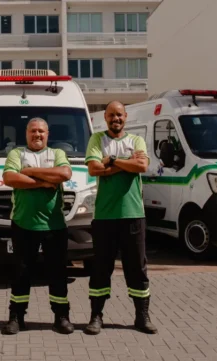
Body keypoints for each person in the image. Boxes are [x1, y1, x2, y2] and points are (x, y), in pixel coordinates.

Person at [83, 100, 158, 335]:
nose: (115, 119)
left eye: (119, 115)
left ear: (126, 117)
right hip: (105, 216)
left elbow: (142, 166)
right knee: (101, 268)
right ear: (105, 117)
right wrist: (127, 164)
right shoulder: (96, 139)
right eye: (111, 115)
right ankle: (96, 316)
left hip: (133, 214)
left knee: (136, 268)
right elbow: (94, 169)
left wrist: (112, 161)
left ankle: (141, 316)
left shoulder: (135, 140)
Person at [0, 117, 75, 335]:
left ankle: (61, 317)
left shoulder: (57, 154)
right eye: (33, 131)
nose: (37, 135)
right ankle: (16, 317)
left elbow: (64, 174)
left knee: (58, 273)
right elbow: (9, 178)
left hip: (54, 226)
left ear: (48, 134)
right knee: (21, 273)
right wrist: (43, 182)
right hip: (24, 224)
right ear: (26, 133)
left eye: (41, 131)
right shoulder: (17, 154)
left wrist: (29, 171)